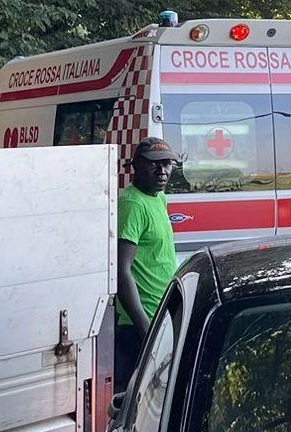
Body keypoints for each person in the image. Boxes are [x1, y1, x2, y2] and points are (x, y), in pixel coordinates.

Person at [114, 137, 180, 392]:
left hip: (159, 314)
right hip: (137, 324)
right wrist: (143, 324)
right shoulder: (133, 204)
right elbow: (122, 270)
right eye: (154, 164)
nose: (162, 171)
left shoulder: (158, 197)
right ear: (137, 166)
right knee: (133, 401)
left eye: (167, 164)